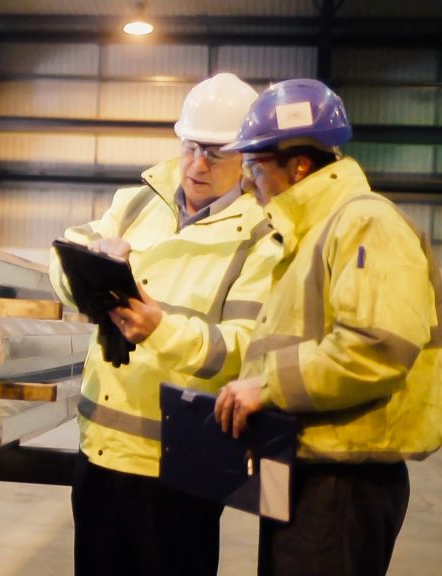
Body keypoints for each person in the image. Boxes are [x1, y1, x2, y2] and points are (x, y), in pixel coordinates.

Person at [49, 72, 282, 576]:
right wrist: (92, 268)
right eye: (191, 146)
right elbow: (60, 260)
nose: (198, 164)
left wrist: (160, 328)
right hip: (101, 450)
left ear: (244, 157)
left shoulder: (259, 238)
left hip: (181, 462)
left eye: (216, 152)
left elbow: (243, 350)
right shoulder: (137, 203)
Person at [215, 79, 442, 576]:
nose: (248, 182)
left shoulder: (364, 223)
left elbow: (377, 347)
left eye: (255, 166)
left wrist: (267, 385)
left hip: (344, 479)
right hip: (307, 466)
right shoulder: (309, 234)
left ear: (299, 165)